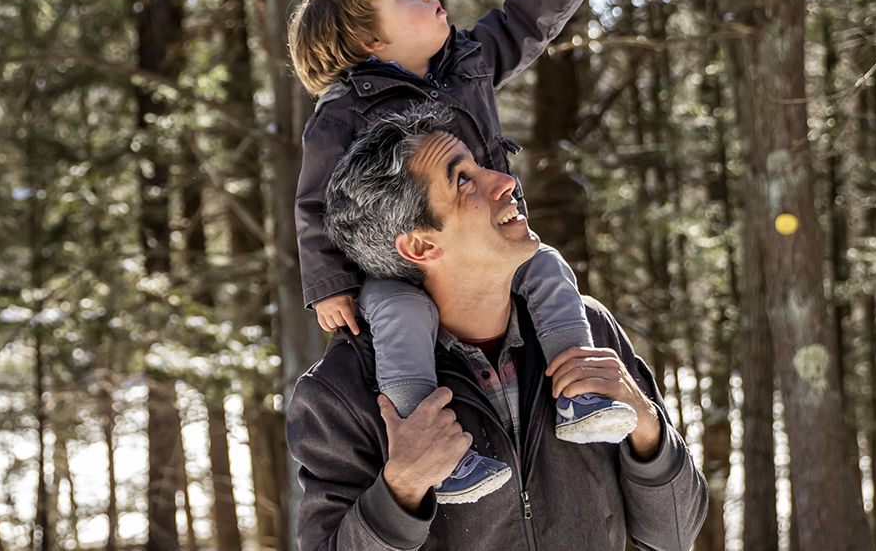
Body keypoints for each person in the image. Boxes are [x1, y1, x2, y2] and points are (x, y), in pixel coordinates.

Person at [288, 0, 633, 504]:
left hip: (485, 245)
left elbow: (523, 22)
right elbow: (315, 202)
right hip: (399, 266)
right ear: (372, 41)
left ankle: (579, 390)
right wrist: (329, 284)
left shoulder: (467, 63)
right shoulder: (342, 114)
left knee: (549, 269)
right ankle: (438, 451)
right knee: (399, 316)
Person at [288, 102, 707, 550]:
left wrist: (648, 427)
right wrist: (401, 489)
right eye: (462, 179)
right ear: (420, 244)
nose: (507, 181)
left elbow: (673, 535)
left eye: (481, 166)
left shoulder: (589, 329)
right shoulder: (343, 391)